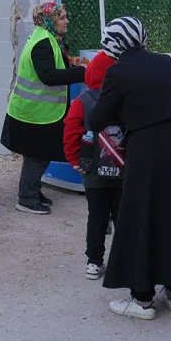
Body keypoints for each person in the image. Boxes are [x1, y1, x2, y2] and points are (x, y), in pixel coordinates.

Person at [89, 17, 171, 320]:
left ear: (113, 44)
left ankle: (143, 299)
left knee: (143, 218)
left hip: (147, 151)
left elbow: (96, 119)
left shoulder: (117, 72)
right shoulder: (164, 62)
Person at [1, 1, 86, 215]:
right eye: (62, 17)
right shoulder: (43, 42)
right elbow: (47, 75)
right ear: (50, 19)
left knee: (41, 153)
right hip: (36, 111)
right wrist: (83, 73)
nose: (67, 21)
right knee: (37, 154)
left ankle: (32, 190)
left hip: (40, 110)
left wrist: (74, 68)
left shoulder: (47, 37)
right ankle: (26, 198)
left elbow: (55, 67)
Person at [63, 50, 122, 280]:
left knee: (96, 217)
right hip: (121, 170)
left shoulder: (82, 100)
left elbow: (71, 130)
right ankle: (122, 260)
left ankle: (94, 262)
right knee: (122, 216)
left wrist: (74, 159)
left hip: (92, 170)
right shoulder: (124, 98)